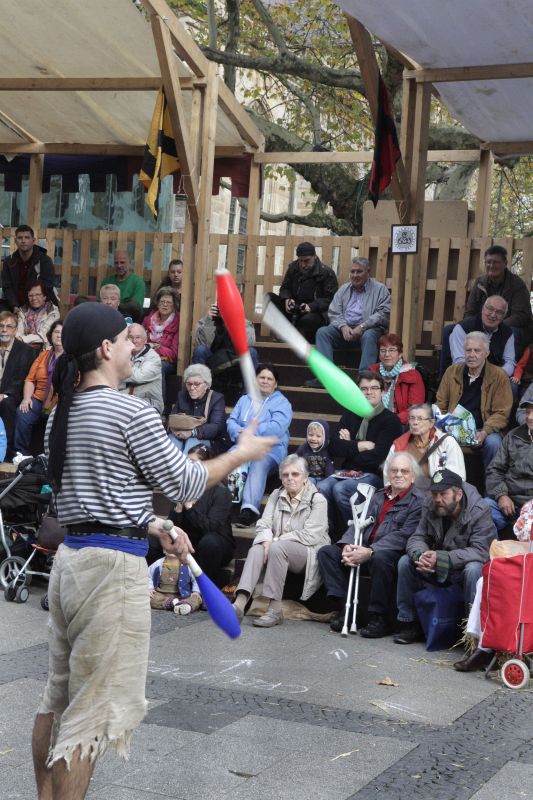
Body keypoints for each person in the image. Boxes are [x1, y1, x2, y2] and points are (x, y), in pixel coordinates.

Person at [32, 302, 276, 800]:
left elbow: (93, 496)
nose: (134, 345)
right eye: (127, 339)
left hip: (71, 563)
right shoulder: (130, 411)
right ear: (106, 349)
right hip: (108, 572)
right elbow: (185, 481)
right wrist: (241, 454)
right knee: (90, 715)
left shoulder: (64, 411)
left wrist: (152, 522)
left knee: (56, 702)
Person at [318, 453, 425, 637]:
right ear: (388, 474)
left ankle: (379, 618)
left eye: (404, 471)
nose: (398, 474)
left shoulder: (418, 501)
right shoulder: (378, 496)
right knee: (327, 553)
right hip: (364, 548)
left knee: (380, 558)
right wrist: (347, 546)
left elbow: (404, 535)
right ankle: (346, 609)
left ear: (413, 476)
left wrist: (371, 551)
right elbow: (357, 522)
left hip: (390, 554)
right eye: (394, 470)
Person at [393, 469, 496, 645]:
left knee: (474, 569)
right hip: (435, 567)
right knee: (405, 562)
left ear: (458, 494)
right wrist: (421, 555)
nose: (438, 499)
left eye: (443, 494)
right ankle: (409, 624)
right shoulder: (430, 504)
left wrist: (443, 558)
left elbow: (481, 551)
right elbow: (417, 537)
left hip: (460, 569)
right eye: (434, 494)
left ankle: (472, 635)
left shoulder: (479, 510)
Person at [232, 454, 329, 627]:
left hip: (309, 552)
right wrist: (266, 540)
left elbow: (311, 535)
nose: (290, 478)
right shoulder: (276, 495)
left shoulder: (317, 500)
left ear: (305, 477)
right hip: (277, 548)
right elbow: (264, 524)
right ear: (281, 478)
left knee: (277, 548)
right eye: (285, 475)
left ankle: (274, 610)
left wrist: (276, 540)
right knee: (256, 549)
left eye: (295, 474)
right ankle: (239, 603)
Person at [453, 500, 532, 672]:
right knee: (486, 581)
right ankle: (483, 647)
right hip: (527, 561)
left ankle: (487, 648)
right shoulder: (530, 506)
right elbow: (522, 532)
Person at [317, 371, 402, 531]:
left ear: (383, 391)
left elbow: (378, 457)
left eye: (374, 388)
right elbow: (334, 447)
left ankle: (355, 533)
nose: (369, 392)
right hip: (348, 472)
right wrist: (359, 445)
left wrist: (349, 445)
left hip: (374, 475)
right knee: (322, 487)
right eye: (364, 389)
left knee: (341, 489)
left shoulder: (390, 420)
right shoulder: (350, 415)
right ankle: (333, 532)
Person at [305, 257, 390, 386]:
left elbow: (383, 313)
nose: (355, 275)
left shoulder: (380, 290)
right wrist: (342, 326)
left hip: (368, 330)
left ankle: (365, 378)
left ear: (368, 272)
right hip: (345, 331)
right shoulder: (343, 289)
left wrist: (363, 326)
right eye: (352, 271)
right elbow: (334, 312)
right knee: (323, 332)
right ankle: (325, 377)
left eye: (359, 271)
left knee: (369, 335)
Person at [435, 331, 512, 470]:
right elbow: (440, 404)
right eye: (468, 350)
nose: (472, 355)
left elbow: (502, 413)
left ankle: (491, 483)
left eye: (477, 350)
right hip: (454, 427)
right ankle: (441, 480)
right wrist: (443, 424)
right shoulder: (452, 372)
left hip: (484, 429)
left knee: (493, 443)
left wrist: (484, 432)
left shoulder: (499, 376)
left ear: (486, 353)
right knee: (433, 437)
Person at [228, 363, 292, 528]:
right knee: (234, 457)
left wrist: (250, 434)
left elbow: (276, 428)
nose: (265, 381)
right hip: (244, 444)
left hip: (270, 450)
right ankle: (231, 503)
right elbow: (231, 422)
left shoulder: (282, 403)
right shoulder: (245, 399)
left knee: (258, 461)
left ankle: (249, 510)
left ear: (275, 384)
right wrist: (241, 435)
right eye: (261, 377)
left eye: (269, 379)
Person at [169, 444, 234, 588]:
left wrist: (189, 507)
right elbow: (172, 526)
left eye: (193, 463)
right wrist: (178, 509)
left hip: (217, 544)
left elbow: (211, 528)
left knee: (208, 542)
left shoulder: (221, 492)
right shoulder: (184, 488)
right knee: (156, 538)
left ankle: (202, 590)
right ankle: (155, 584)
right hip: (190, 541)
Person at [266, 242, 338, 343]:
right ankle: (283, 332)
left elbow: (331, 299)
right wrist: (287, 299)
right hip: (294, 309)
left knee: (307, 320)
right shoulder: (293, 268)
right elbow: (285, 288)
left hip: (315, 312)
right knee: (268, 297)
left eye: (307, 261)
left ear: (315, 257)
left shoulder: (327, 273)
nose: (303, 265)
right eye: (300, 261)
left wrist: (311, 306)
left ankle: (300, 338)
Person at [464, 244, 533, 349]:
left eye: (496, 262)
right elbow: (470, 312)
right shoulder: (479, 283)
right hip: (483, 327)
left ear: (505, 263)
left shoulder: (517, 285)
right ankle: (457, 360)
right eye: (488, 262)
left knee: (510, 334)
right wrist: (475, 326)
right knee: (450, 331)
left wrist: (495, 326)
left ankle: (503, 360)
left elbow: (521, 316)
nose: (491, 265)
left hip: (510, 328)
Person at [384, 403, 466, 487]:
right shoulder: (399, 444)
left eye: (420, 418)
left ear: (431, 423)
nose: (415, 422)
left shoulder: (447, 443)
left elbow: (456, 478)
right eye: (412, 418)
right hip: (407, 493)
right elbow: (388, 479)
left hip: (437, 492)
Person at [14, 320, 63, 456]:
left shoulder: (71, 358)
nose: (59, 335)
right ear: (51, 334)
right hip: (38, 398)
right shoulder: (43, 355)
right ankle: (21, 454)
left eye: (63, 333)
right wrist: (26, 398)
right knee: (22, 413)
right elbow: (30, 379)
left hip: (59, 402)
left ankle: (50, 457)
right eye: (56, 332)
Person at [484, 396, 533, 533]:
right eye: (528, 412)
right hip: (510, 503)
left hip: (531, 507)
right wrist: (501, 495)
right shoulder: (513, 436)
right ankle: (492, 547)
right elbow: (495, 470)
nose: (530, 417)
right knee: (482, 508)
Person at [448, 296, 515, 377]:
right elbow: (459, 361)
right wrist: (482, 375)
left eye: (499, 312)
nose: (493, 315)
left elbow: (509, 362)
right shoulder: (462, 328)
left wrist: (497, 375)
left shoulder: (507, 333)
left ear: (504, 316)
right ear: (483, 309)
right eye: (490, 309)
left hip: (495, 377)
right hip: (465, 376)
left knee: (513, 383)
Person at [0, 310, 36, 459]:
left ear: (15, 330)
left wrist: (4, 394)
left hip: (12, 394)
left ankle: (7, 453)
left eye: (9, 326)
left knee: (6, 404)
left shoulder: (26, 351)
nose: (4, 330)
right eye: (1, 326)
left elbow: (22, 378)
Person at [368, 334, 425, 425]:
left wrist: (391, 420)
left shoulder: (412, 374)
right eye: (383, 350)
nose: (387, 354)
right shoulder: (371, 372)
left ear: (400, 354)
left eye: (392, 350)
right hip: (373, 419)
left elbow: (415, 408)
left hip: (401, 423)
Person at [168, 364, 225, 454]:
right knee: (171, 446)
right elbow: (172, 418)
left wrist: (192, 432)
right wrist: (175, 431)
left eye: (197, 384)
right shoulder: (182, 395)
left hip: (204, 437)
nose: (192, 388)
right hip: (180, 434)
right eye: (189, 384)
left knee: (192, 446)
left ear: (206, 385)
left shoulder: (216, 398)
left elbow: (217, 426)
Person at [1, 224, 56, 312]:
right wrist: (14, 305)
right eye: (20, 238)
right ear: (15, 241)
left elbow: (47, 286)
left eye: (27, 237)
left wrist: (29, 308)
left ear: (33, 240)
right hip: (14, 305)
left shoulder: (44, 261)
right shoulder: (9, 261)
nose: (23, 241)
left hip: (39, 305)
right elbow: (7, 287)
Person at [192, 303, 258, 370]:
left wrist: (237, 319)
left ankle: (250, 377)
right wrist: (209, 321)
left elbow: (249, 343)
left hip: (236, 359)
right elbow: (202, 344)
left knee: (251, 351)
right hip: (213, 359)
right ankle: (198, 376)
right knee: (200, 350)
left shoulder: (245, 323)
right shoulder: (206, 321)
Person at [118, 323, 163, 413]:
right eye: (131, 337)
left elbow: (139, 376)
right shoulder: (123, 355)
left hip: (148, 404)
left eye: (138, 337)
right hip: (126, 402)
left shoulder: (153, 358)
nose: (134, 341)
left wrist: (117, 369)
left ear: (145, 340)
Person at [142, 287, 180, 384]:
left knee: (159, 366)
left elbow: (174, 354)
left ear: (174, 305)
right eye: (162, 302)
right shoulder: (148, 319)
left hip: (166, 362)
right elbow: (139, 340)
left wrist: (156, 347)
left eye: (169, 302)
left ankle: (158, 395)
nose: (165, 305)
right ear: (157, 304)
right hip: (145, 356)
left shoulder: (178, 323)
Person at [148, 549, 201, 614]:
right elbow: (147, 575)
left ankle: (186, 605)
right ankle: (170, 603)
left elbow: (196, 578)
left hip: (183, 596)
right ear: (164, 550)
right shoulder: (158, 563)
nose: (172, 550)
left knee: (196, 598)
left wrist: (196, 592)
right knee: (148, 597)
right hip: (161, 595)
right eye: (170, 547)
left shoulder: (187, 564)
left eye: (176, 548)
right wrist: (150, 588)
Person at [99, 250, 145, 322]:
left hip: (130, 320)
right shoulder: (107, 281)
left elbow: (135, 306)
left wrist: (113, 305)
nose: (119, 265)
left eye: (122, 262)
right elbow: (100, 302)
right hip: (107, 317)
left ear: (130, 263)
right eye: (116, 263)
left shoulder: (138, 282)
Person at [16, 281, 60, 348]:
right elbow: (18, 332)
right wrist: (20, 339)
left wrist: (22, 339)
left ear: (44, 296)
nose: (34, 298)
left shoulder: (52, 312)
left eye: (38, 295)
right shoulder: (22, 311)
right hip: (24, 347)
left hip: (45, 349)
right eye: (30, 295)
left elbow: (43, 335)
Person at [296, 420, 334, 484]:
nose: (313, 439)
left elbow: (329, 468)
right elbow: (296, 461)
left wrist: (327, 481)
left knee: (323, 486)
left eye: (318, 436)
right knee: (308, 482)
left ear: (325, 438)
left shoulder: (328, 450)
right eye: (311, 435)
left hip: (324, 478)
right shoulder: (304, 448)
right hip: (309, 477)